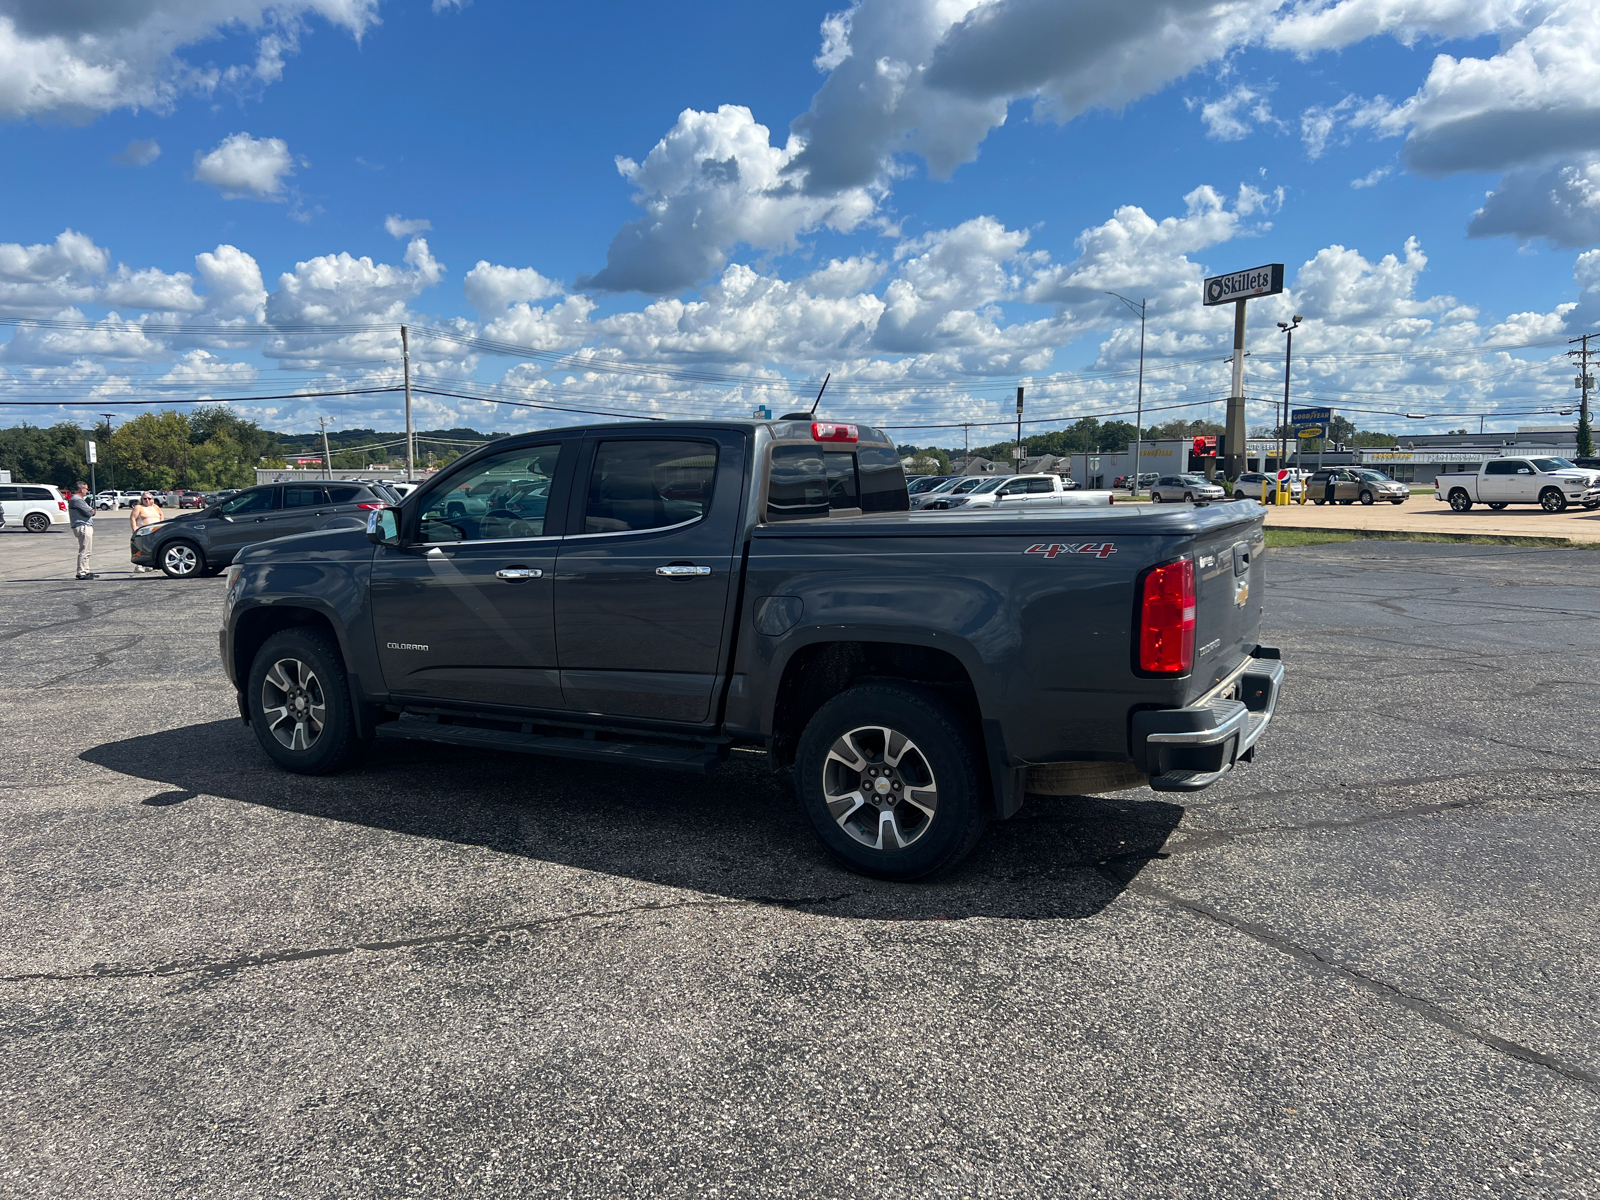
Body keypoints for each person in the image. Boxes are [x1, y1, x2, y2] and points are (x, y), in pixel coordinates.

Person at [129, 491, 163, 572]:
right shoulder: (139, 507)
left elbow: (161, 514)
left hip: (155, 532)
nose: (147, 500)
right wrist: (134, 530)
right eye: (145, 499)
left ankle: (150, 565)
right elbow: (133, 518)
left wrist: (161, 525)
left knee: (152, 548)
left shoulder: (155, 507)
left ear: (152, 499)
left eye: (149, 498)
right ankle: (138, 566)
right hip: (143, 531)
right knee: (140, 548)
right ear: (142, 499)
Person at [68, 481, 95, 579]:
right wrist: (92, 510)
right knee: (84, 550)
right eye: (86, 489)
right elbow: (88, 512)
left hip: (84, 525)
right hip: (83, 526)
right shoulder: (77, 500)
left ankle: (86, 570)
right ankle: (81, 572)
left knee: (87, 550)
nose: (87, 491)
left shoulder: (79, 500)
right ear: (81, 489)